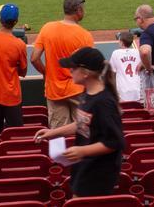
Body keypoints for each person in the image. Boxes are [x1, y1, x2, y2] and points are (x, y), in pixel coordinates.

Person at [34, 47, 124, 198]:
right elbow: (82, 123)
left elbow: (115, 142)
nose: (69, 70)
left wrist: (82, 151)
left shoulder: (103, 102)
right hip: (86, 166)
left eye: (73, 67)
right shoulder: (87, 93)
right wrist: (52, 132)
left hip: (98, 172)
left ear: (86, 73)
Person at [32, 0, 94, 129]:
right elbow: (90, 67)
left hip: (55, 91)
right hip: (79, 91)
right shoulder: (85, 35)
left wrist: (46, 73)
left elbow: (34, 58)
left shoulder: (47, 28)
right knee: (82, 132)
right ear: (78, 10)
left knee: (58, 137)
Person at [0, 4, 27, 133]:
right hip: (11, 95)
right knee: (16, 135)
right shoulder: (19, 44)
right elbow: (23, 72)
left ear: (0, 19)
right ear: (16, 22)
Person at [108, 31, 142, 103]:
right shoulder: (137, 52)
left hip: (123, 90)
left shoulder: (116, 53)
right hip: (137, 88)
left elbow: (112, 72)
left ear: (122, 42)